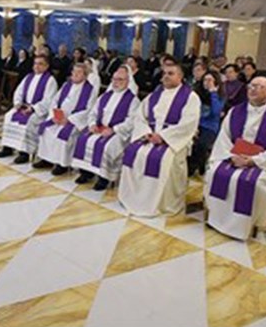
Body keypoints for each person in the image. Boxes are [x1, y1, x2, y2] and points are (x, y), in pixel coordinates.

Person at [204, 77, 266, 240]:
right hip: (233, 156)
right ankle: (217, 218)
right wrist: (231, 156)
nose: (253, 89)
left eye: (259, 87)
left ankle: (247, 224)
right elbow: (224, 137)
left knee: (255, 183)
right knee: (214, 173)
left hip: (261, 162)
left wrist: (253, 161)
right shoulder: (235, 111)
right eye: (251, 86)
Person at [118, 63, 200, 216]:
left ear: (180, 77)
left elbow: (188, 124)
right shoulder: (154, 96)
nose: (166, 76)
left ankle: (161, 203)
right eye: (164, 73)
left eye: (171, 73)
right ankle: (134, 198)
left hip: (172, 142)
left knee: (163, 160)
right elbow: (140, 116)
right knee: (133, 153)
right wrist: (146, 133)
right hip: (150, 137)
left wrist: (163, 136)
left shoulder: (191, 98)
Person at [72, 66, 140, 191]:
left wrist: (113, 129)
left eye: (120, 79)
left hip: (118, 133)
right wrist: (92, 124)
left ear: (128, 81)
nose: (116, 82)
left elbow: (132, 121)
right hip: (99, 128)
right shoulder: (105, 96)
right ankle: (87, 172)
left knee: (107, 146)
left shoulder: (133, 100)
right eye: (114, 79)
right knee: (82, 139)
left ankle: (104, 178)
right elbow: (93, 112)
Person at [34, 63, 96, 175]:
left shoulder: (90, 90)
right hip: (58, 117)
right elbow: (54, 101)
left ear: (85, 75)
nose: (75, 74)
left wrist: (69, 120)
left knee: (62, 135)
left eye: (79, 72)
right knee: (46, 130)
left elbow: (89, 109)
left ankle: (61, 164)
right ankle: (46, 159)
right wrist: (55, 115)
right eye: (74, 71)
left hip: (73, 121)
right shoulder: (66, 85)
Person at [0, 54, 58, 164]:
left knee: (30, 121)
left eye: (40, 64)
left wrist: (33, 108)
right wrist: (18, 103)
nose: (37, 66)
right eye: (35, 63)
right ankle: (8, 147)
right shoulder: (28, 77)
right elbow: (18, 91)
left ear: (47, 66)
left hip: (38, 111)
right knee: (9, 116)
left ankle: (24, 152)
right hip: (23, 106)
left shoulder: (50, 80)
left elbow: (49, 100)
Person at [187, 71, 225, 176]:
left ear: (216, 82)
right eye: (205, 80)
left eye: (210, 80)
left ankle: (196, 167)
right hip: (195, 124)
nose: (206, 82)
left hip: (210, 126)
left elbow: (215, 112)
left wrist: (213, 93)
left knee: (201, 144)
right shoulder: (196, 94)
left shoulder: (219, 96)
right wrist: (194, 126)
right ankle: (194, 166)